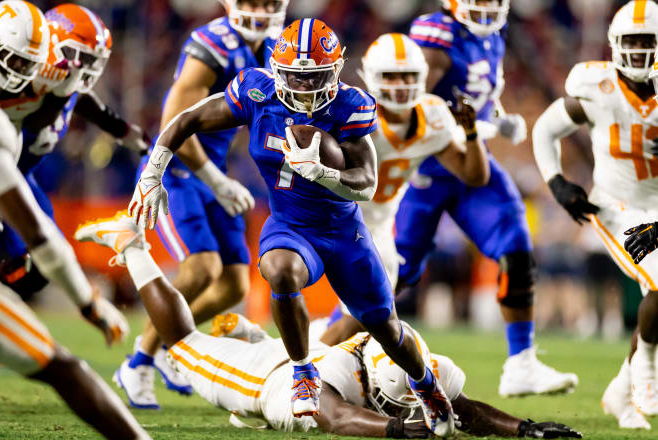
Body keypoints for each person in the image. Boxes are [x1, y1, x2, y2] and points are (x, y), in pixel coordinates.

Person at [125, 18, 457, 435]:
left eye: (314, 76)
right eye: (296, 78)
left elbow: (366, 183)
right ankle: (303, 372)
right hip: (290, 224)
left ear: (334, 71)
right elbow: (188, 117)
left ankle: (426, 385)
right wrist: (152, 173)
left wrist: (320, 173)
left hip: (343, 231)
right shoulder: (257, 91)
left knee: (385, 327)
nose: (304, 88)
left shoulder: (350, 106)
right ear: (279, 71)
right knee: (279, 270)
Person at [76, 212, 581, 439]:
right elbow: (335, 418)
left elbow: (463, 410)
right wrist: (399, 431)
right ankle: (134, 247)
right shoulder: (341, 379)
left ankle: (250, 332)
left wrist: (525, 430)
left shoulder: (410, 366)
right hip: (273, 382)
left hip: (312, 349)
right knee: (184, 342)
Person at [390, 0, 578, 397]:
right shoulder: (438, 34)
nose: (487, 6)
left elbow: (473, 92)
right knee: (393, 274)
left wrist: (496, 118)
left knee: (516, 248)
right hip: (428, 166)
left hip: (475, 158)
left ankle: (521, 363)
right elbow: (413, 102)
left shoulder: (494, 33)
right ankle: (326, 345)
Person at [116, 0, 288, 409]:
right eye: (252, 2)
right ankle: (140, 359)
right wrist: (216, 179)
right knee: (202, 267)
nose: (261, 10)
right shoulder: (215, 43)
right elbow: (175, 122)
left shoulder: (276, 46)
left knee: (234, 284)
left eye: (269, 2)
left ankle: (170, 341)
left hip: (215, 172)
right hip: (177, 169)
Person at [0, 2, 148, 439]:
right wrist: (88, 303)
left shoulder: (51, 89)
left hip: (18, 185)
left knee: (32, 280)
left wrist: (119, 129)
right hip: (13, 189)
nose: (19, 77)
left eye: (28, 65)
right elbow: (42, 238)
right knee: (61, 365)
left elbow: (76, 94)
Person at [533, 0, 658, 429]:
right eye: (633, 42)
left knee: (656, 300)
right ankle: (644, 370)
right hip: (617, 207)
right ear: (615, 45)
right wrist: (556, 181)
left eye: (649, 41)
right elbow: (546, 128)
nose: (640, 51)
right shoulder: (597, 86)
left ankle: (621, 392)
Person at [319, 32, 489, 345]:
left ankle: (315, 356)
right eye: (390, 76)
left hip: (380, 225)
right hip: (337, 216)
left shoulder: (433, 116)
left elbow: (473, 174)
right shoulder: (355, 113)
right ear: (370, 78)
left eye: (407, 76)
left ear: (423, 77)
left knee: (369, 315)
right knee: (366, 311)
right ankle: (299, 369)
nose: (399, 85)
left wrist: (471, 132)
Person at [0, 3, 149, 302]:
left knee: (43, 264)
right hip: (6, 177)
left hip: (23, 177)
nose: (86, 66)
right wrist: (61, 92)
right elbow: (35, 118)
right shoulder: (21, 78)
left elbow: (79, 99)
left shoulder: (63, 85)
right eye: (79, 55)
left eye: (93, 59)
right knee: (26, 257)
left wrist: (119, 129)